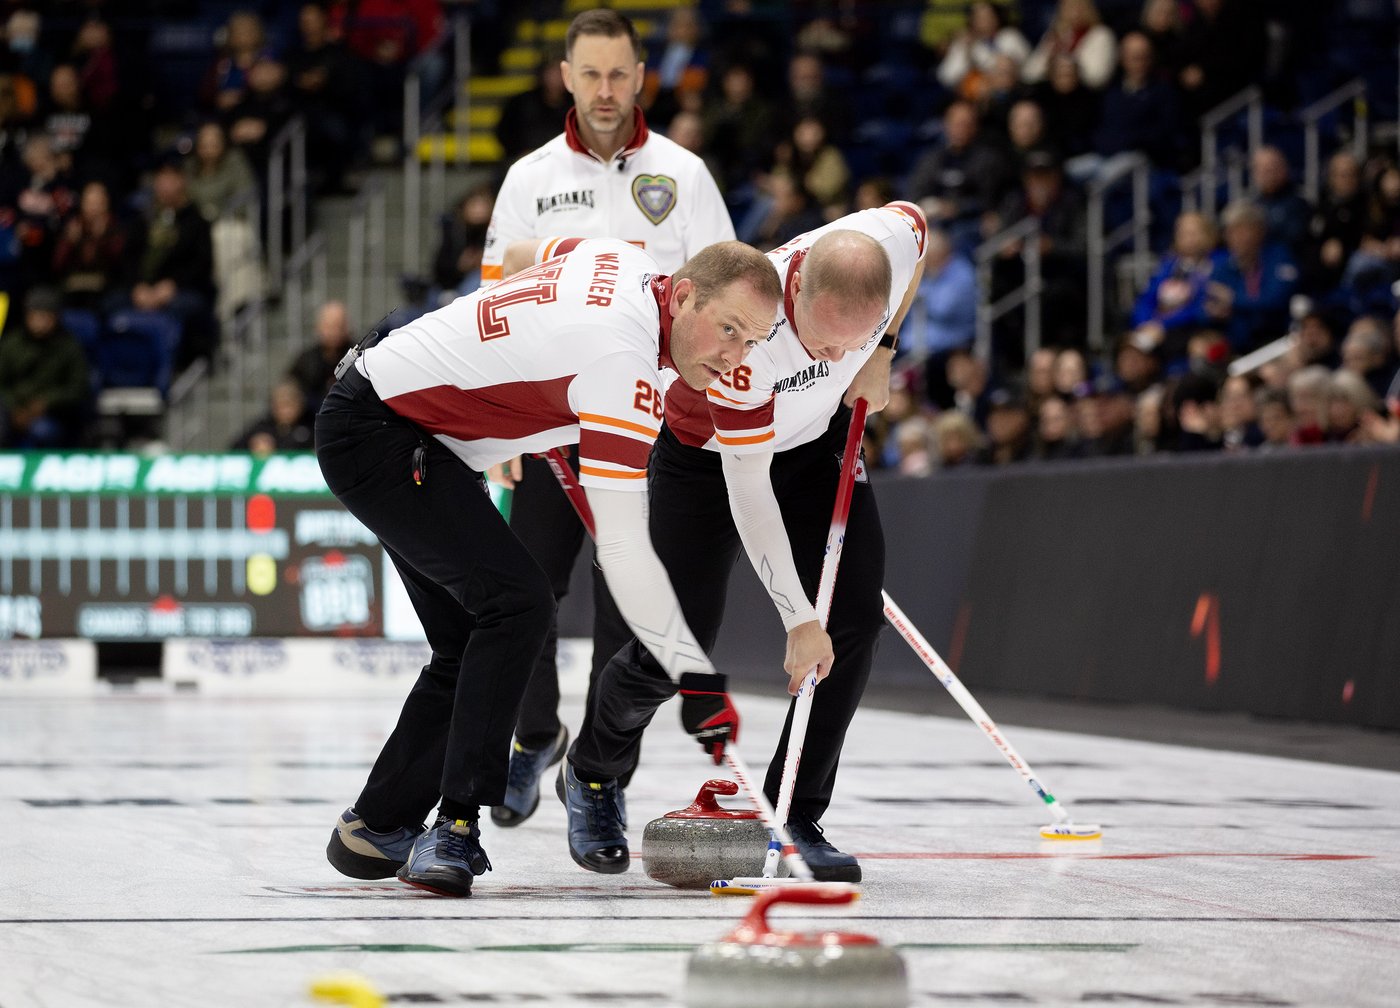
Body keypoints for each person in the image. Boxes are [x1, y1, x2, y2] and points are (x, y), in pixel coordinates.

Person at [320, 236, 782, 897]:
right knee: (518, 605)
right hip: (385, 433)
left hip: (409, 421)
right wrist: (693, 674)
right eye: (728, 329)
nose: (735, 358)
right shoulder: (624, 370)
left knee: (470, 638)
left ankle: (377, 826)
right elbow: (621, 548)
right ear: (682, 297)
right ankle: (454, 825)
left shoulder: (622, 257)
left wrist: (514, 392)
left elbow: (524, 253)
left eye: (753, 342)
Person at [553, 203, 927, 881]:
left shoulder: (892, 238)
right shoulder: (748, 346)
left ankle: (795, 813)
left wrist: (884, 349)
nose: (835, 355)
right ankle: (593, 773)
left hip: (814, 444)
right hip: (710, 457)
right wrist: (797, 620)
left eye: (854, 339)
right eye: (824, 341)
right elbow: (751, 496)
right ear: (798, 291)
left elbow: (917, 247)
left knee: (854, 621)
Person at [477, 9, 737, 831]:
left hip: (650, 427)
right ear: (565, 76)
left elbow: (728, 299)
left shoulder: (684, 175)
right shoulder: (528, 179)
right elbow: (494, 301)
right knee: (523, 593)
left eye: (619, 74)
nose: (604, 91)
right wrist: (496, 431)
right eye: (590, 74)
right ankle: (531, 738)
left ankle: (598, 780)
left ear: (641, 74)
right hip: (549, 423)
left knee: (628, 609)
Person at [0, 285, 89, 448]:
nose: (39, 322)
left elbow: (78, 388)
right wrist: (14, 408)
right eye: (34, 315)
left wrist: (46, 403)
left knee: (44, 431)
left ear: (55, 318)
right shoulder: (11, 344)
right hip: (12, 410)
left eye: (44, 316)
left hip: (52, 413)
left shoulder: (69, 346)